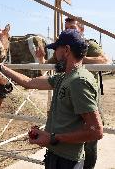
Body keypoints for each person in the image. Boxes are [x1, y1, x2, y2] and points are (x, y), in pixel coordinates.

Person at [0, 29, 104, 169]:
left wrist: (53, 138)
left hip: (68, 161)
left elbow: (96, 131)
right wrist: (1, 67)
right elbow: (29, 82)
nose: (55, 55)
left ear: (66, 50)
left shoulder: (78, 81)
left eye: (56, 49)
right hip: (57, 155)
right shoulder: (65, 77)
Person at [36, 17, 111, 169]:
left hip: (86, 99)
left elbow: (104, 60)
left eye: (72, 27)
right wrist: (41, 58)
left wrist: (78, 56)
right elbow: (47, 66)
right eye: (66, 28)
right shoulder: (63, 47)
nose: (68, 30)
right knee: (70, 142)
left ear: (82, 30)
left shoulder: (90, 45)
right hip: (70, 100)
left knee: (89, 144)